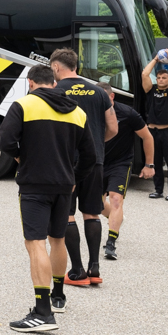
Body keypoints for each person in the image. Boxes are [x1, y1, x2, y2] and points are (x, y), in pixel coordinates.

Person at [0, 65, 95, 332]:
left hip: (34, 185)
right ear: (54, 83)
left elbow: (5, 140)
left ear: (31, 83)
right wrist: (75, 177)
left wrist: (21, 157)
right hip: (64, 185)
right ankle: (58, 296)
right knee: (58, 239)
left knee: (35, 243)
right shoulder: (77, 112)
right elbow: (90, 156)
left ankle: (42, 313)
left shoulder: (23, 105)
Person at [50, 48, 117, 287]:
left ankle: (77, 270)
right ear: (75, 65)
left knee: (67, 214)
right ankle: (94, 268)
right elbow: (113, 128)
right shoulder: (100, 92)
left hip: (66, 163)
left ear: (56, 67)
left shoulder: (56, 91)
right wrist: (96, 144)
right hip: (95, 160)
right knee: (92, 212)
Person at [100, 89, 155, 260]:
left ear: (112, 96)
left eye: (105, 97)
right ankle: (116, 218)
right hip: (97, 163)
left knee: (116, 199)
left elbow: (147, 137)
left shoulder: (127, 113)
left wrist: (149, 165)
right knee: (97, 204)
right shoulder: (90, 112)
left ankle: (111, 243)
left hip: (120, 163)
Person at [142, 48, 168, 201]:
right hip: (152, 132)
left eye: (164, 78)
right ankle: (158, 190)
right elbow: (145, 74)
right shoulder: (151, 90)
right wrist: (156, 60)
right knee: (155, 162)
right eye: (159, 78)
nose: (161, 80)